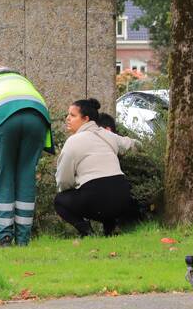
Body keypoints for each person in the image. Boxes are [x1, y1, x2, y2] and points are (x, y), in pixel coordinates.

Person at [0, 66, 54, 247]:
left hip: (4, 120)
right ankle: (23, 239)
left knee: (6, 174)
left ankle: (5, 238)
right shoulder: (23, 81)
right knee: (26, 175)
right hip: (38, 119)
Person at [54, 98, 139, 237]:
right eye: (68, 115)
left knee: (60, 201)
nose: (67, 118)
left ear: (86, 119)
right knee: (105, 194)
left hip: (95, 197)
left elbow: (63, 180)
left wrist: (72, 189)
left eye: (73, 115)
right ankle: (111, 230)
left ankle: (86, 231)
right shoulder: (108, 135)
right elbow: (133, 144)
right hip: (123, 196)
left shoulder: (73, 141)